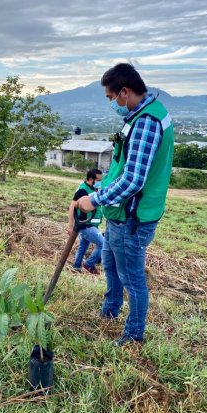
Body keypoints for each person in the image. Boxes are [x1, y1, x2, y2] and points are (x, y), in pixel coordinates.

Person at [76, 63, 174, 347]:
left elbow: (133, 180)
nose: (111, 104)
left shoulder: (147, 122)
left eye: (110, 98)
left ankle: (133, 336)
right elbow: (121, 167)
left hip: (133, 217)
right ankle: (109, 311)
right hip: (120, 213)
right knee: (109, 262)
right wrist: (104, 188)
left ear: (125, 92)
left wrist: (93, 199)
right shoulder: (138, 115)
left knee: (131, 277)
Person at [68, 168, 104, 275]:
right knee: (103, 244)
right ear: (90, 179)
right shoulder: (83, 190)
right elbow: (72, 206)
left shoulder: (93, 189)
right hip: (86, 225)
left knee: (84, 245)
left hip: (91, 224)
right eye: (98, 180)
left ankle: (76, 266)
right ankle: (89, 264)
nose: (100, 182)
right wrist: (70, 225)